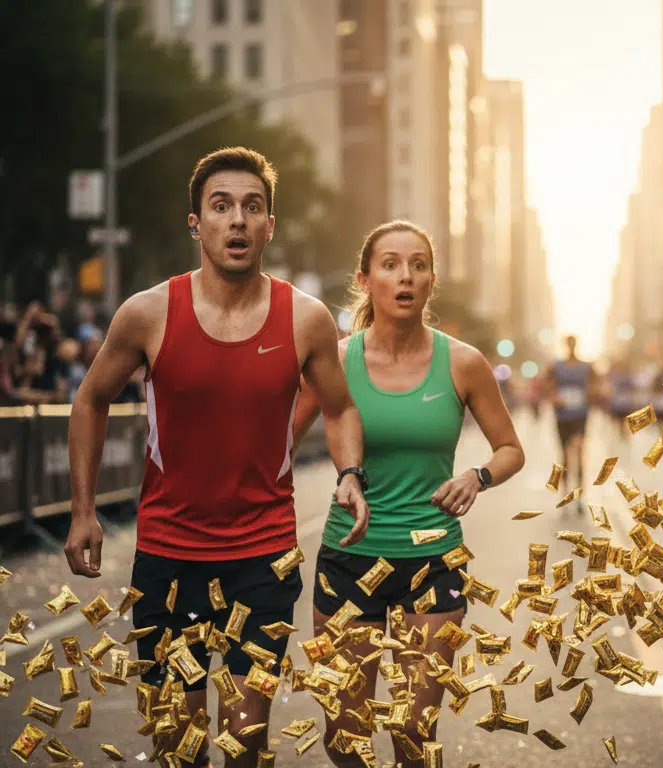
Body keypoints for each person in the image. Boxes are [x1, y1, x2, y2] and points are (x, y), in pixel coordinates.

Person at [63, 147, 370, 768]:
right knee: (179, 748)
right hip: (168, 558)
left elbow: (339, 408)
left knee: (245, 745)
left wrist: (350, 473)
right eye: (221, 206)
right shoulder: (148, 313)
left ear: (269, 226)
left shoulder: (305, 319)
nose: (237, 220)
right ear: (195, 223)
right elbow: (89, 400)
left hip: (264, 560)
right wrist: (82, 511)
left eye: (252, 208)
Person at [291, 220, 525, 767]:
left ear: (431, 281)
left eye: (418, 265)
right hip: (348, 558)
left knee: (414, 733)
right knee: (345, 737)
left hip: (434, 560)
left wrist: (477, 476)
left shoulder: (463, 362)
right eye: (390, 264)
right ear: (366, 278)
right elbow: (278, 445)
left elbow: (510, 448)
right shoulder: (336, 361)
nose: (405, 276)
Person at [544, 334, 596, 509]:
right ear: (566, 345)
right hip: (562, 415)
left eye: (574, 343)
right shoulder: (556, 366)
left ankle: (580, 495)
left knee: (580, 452)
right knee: (565, 456)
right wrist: (553, 397)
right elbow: (546, 384)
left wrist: (591, 394)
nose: (571, 346)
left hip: (580, 415)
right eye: (569, 343)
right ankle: (566, 491)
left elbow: (596, 384)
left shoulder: (586, 366)